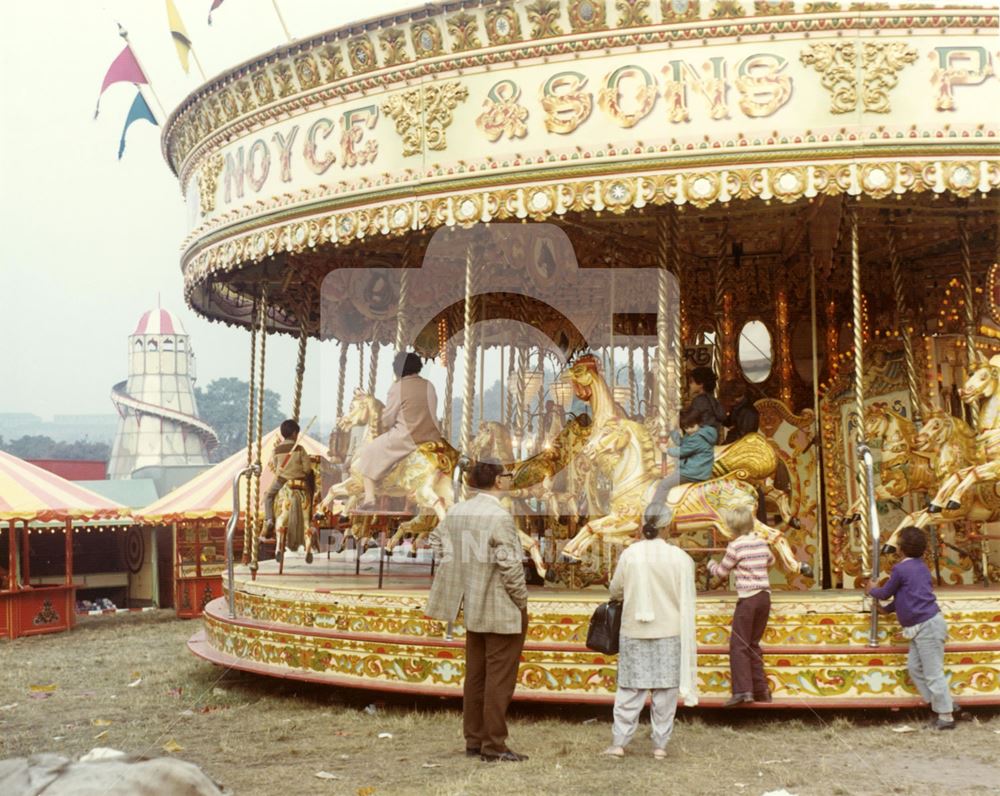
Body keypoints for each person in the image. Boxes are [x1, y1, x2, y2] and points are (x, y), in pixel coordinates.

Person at [426, 460, 530, 762]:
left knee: (476, 675)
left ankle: (474, 739)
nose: (509, 479)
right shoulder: (499, 517)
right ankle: (494, 745)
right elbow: (510, 566)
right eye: (508, 475)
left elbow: (436, 540)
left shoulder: (458, 510)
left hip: (471, 601)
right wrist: (521, 601)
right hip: (500, 605)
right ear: (498, 481)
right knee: (499, 678)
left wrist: (460, 569)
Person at [603, 505, 698, 759]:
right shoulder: (679, 557)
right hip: (669, 630)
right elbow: (686, 598)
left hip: (635, 630)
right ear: (667, 526)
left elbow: (615, 590)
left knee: (630, 689)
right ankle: (659, 746)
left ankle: (619, 744)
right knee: (665, 691)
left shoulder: (630, 554)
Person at [865, 527, 956, 729]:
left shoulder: (901, 569)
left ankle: (946, 716)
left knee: (932, 673)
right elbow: (906, 596)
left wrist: (872, 589)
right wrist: (887, 611)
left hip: (927, 626)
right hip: (925, 625)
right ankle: (943, 704)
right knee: (915, 668)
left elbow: (886, 592)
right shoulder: (921, 567)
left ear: (901, 549)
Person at [355, 352, 444, 511]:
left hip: (406, 438)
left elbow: (388, 419)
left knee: (368, 451)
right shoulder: (429, 385)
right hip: (433, 438)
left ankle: (369, 497)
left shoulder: (397, 387)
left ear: (397, 369)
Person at [708, 506, 774, 706]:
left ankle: (743, 691)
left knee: (739, 645)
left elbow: (721, 572)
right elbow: (771, 561)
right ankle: (761, 689)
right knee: (753, 644)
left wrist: (711, 564)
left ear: (731, 527)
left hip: (748, 598)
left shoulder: (735, 546)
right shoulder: (762, 543)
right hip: (764, 596)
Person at [643, 406, 718, 525]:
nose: (689, 430)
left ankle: (654, 516)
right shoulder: (698, 433)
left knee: (664, 484)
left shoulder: (699, 438)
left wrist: (666, 450)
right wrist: (673, 430)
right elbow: (682, 443)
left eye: (691, 426)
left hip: (694, 472)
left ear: (699, 423)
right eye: (686, 428)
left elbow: (682, 451)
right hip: (694, 468)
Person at [262, 419, 315, 539]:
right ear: (294, 434)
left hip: (282, 481)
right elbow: (307, 468)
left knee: (268, 496)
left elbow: (276, 468)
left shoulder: (276, 450)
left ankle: (269, 519)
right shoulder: (300, 449)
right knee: (311, 494)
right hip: (300, 481)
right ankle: (310, 515)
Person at [684, 366, 726, 435]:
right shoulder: (712, 399)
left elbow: (690, 421)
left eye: (692, 382)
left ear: (701, 384)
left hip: (701, 436)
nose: (690, 385)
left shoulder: (700, 401)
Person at [720, 381, 760, 445]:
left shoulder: (748, 412)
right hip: (736, 444)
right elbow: (729, 422)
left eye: (728, 397)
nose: (727, 400)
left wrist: (728, 436)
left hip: (742, 447)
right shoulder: (737, 407)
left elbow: (744, 436)